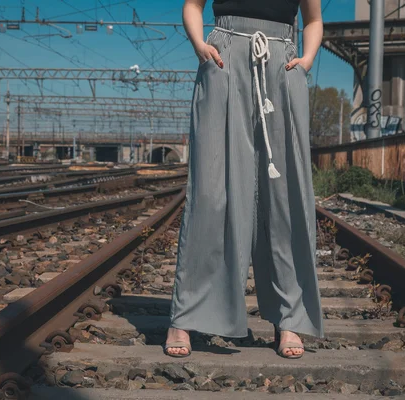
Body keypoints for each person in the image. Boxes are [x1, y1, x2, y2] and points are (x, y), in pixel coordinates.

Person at [166, 0, 324, 359]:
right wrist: (198, 44)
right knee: (210, 192)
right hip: (223, 61)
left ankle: (290, 319)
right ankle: (185, 315)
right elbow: (193, 5)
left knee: (285, 196)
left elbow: (313, 20)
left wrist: (308, 59)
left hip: (282, 66)